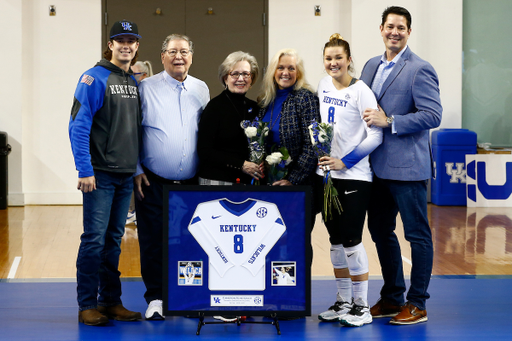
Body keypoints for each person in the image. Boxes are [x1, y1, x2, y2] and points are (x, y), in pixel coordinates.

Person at [360, 6, 442, 325]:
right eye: (390, 26)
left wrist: (390, 120)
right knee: (381, 231)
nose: (395, 32)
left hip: (408, 168)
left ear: (409, 32)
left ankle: (417, 302)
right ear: (381, 28)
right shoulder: (369, 66)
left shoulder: (420, 68)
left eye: (401, 28)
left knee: (417, 235)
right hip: (376, 167)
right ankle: (393, 296)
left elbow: (432, 115)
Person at [69, 20, 143, 326]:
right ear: (110, 44)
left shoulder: (132, 81)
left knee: (114, 241)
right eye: (120, 40)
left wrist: (136, 169)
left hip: (125, 174)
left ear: (137, 46)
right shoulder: (93, 78)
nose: (126, 45)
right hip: (99, 175)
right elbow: (78, 125)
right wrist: (84, 169)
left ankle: (110, 301)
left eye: (131, 41)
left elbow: (134, 131)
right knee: (94, 240)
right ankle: (87, 304)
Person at [135, 34, 209, 320]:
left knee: (188, 241)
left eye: (184, 51)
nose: (179, 56)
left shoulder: (201, 89)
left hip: (190, 182)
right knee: (153, 241)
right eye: (173, 51)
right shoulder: (145, 88)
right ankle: (155, 297)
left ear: (191, 56)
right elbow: (134, 133)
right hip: (152, 180)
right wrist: (136, 170)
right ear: (163, 56)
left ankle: (186, 296)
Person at [316, 34, 383, 327]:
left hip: (355, 176)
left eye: (338, 58)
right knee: (334, 241)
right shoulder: (321, 84)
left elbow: (376, 136)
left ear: (349, 60)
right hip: (326, 177)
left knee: (352, 240)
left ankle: (362, 306)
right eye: (328, 58)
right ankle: (344, 301)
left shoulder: (362, 92)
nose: (333, 63)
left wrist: (346, 161)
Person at [197, 51, 261, 185]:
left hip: (248, 182)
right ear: (225, 78)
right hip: (217, 181)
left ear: (252, 78)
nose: (241, 78)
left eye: (246, 74)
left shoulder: (255, 108)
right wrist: (241, 164)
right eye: (235, 74)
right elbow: (205, 151)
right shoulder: (214, 107)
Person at [258, 49, 320, 187]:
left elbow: (312, 146)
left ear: (298, 73)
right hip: (266, 181)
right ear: (273, 71)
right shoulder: (265, 101)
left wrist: (292, 180)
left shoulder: (305, 98)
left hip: (296, 184)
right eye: (280, 67)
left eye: (291, 68)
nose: (285, 73)